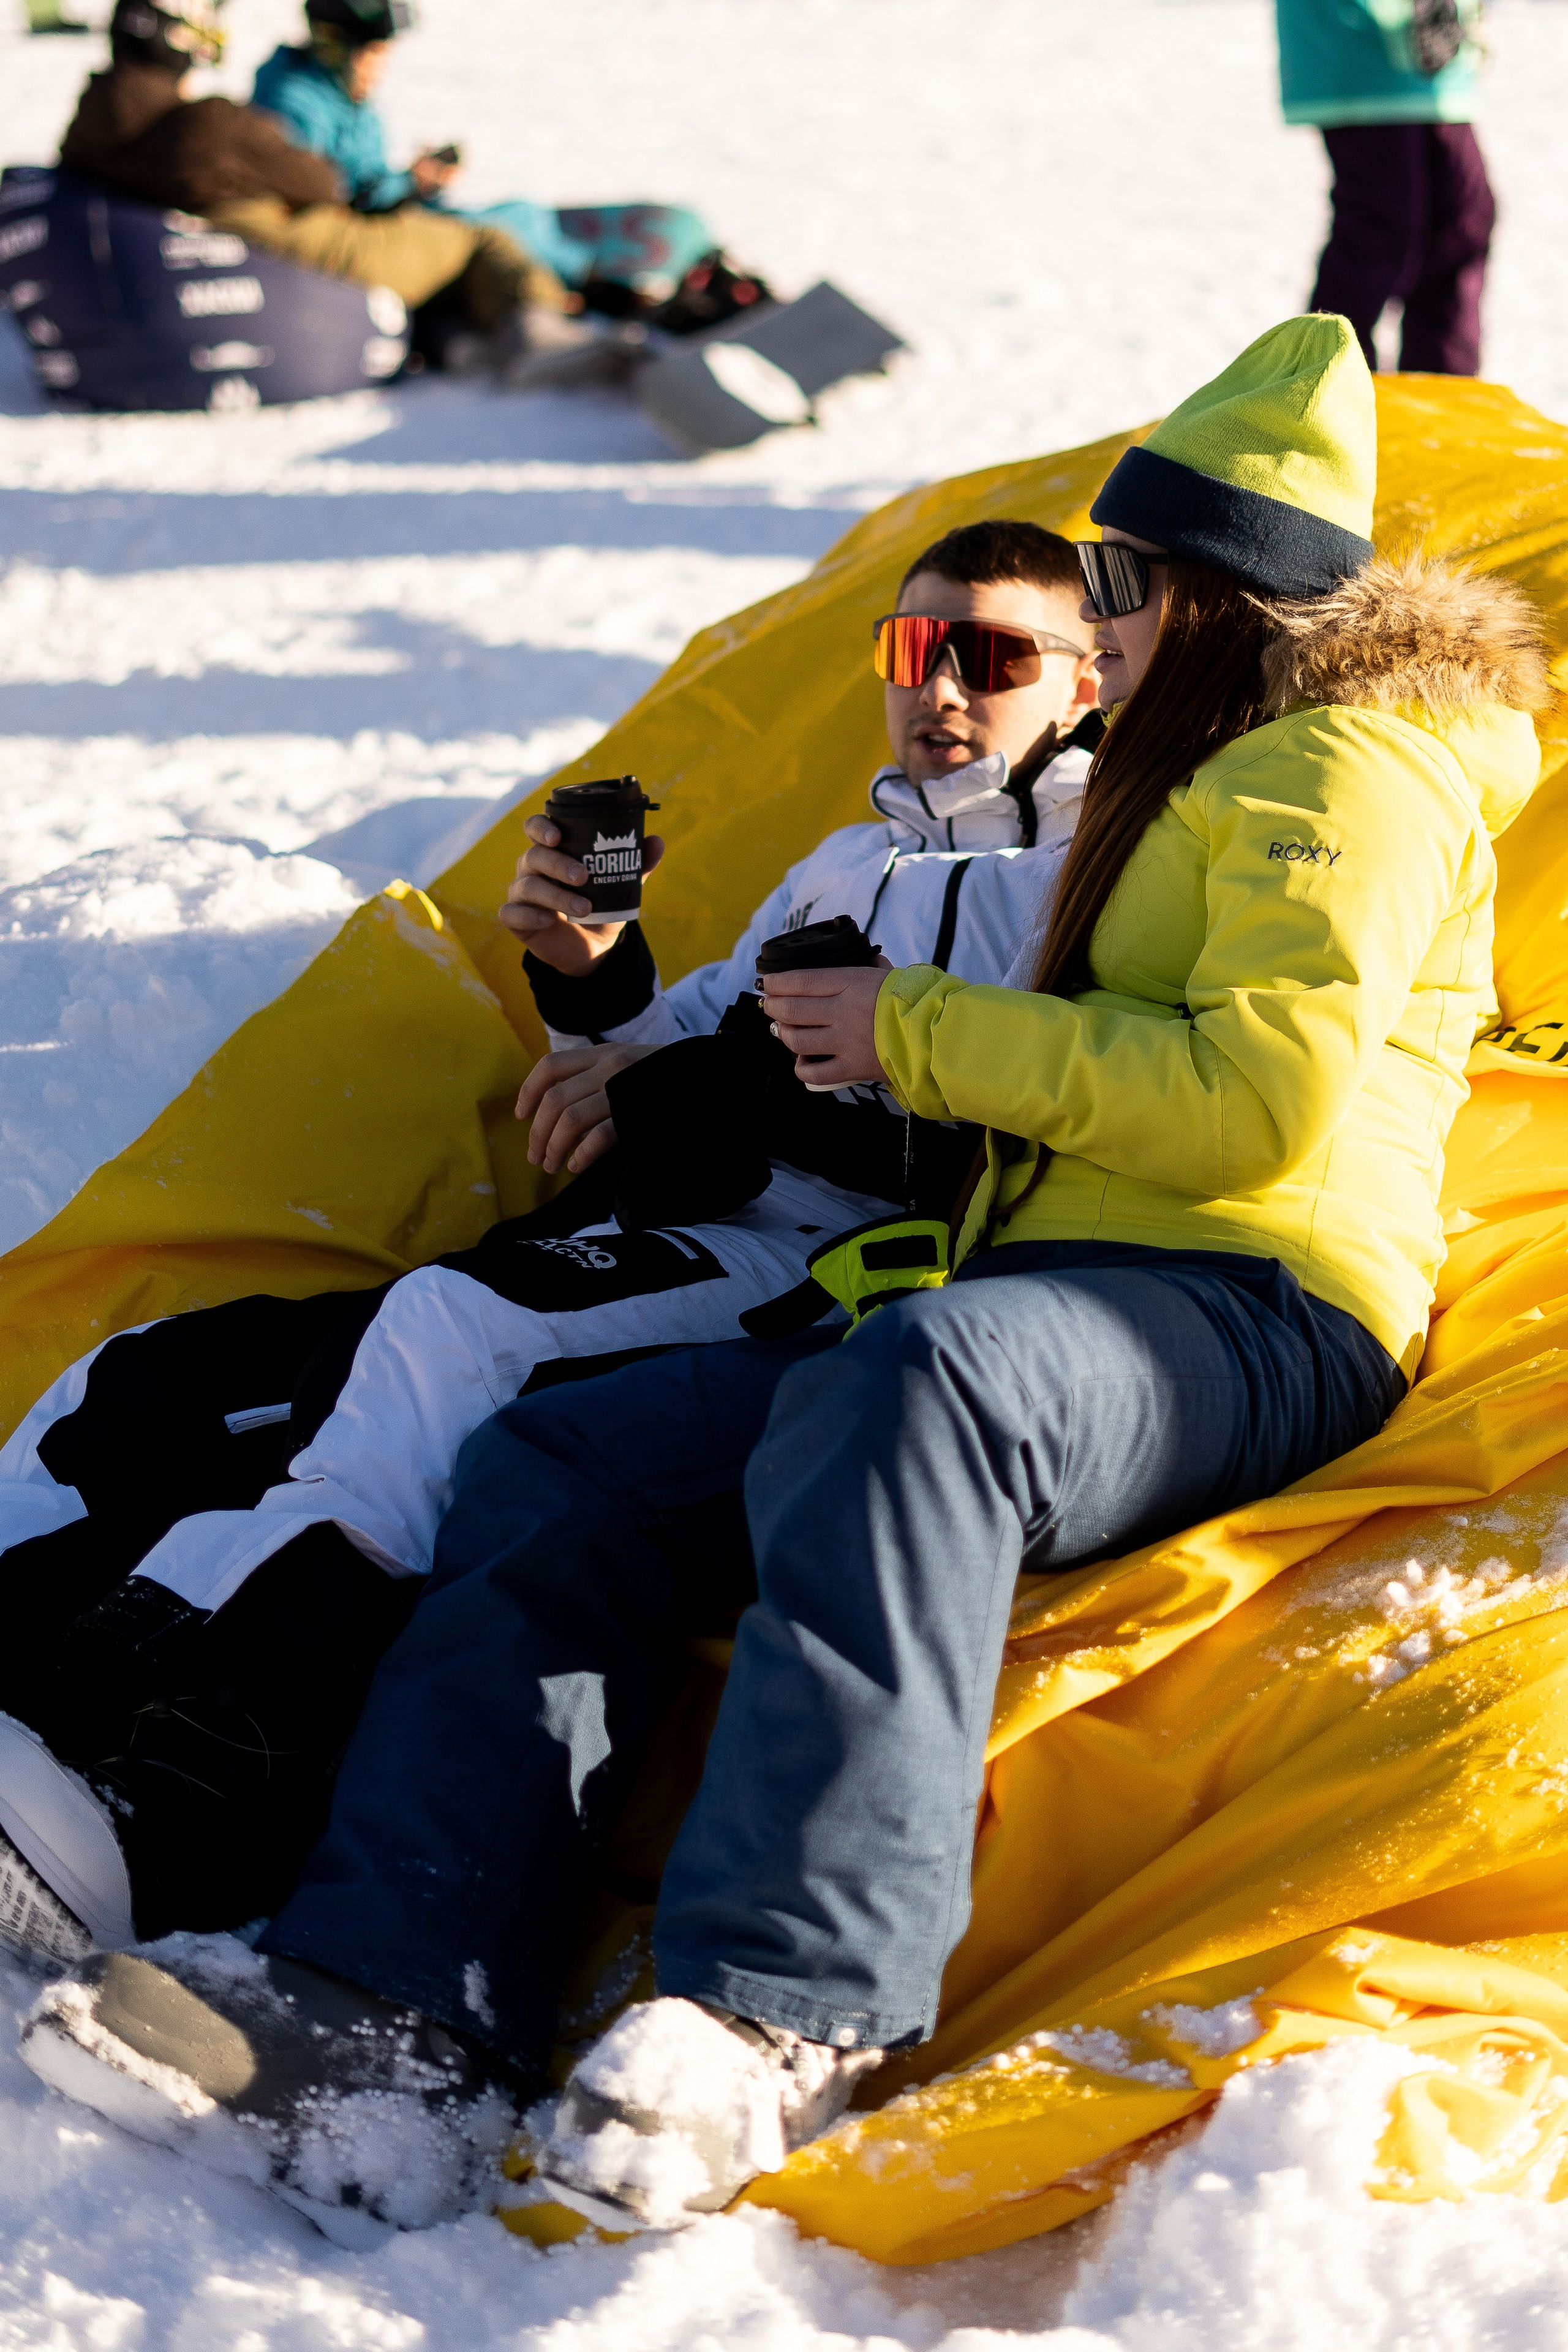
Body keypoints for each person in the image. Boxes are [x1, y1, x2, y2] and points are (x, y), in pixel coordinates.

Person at [34, 317, 1542, 2237]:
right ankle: (405, 2013)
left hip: (1256, 1299)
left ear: (1210, 591)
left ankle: (787, 2005)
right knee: (568, 1453)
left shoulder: (1347, 765)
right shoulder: (1176, 779)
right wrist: (633, 1006)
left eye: (1113, 584)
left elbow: (1258, 1105)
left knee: (928, 1383)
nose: (1093, 623)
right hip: (1044, 1283)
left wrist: (908, 1032)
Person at [0, 523, 1099, 1983]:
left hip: (829, 1264)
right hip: (663, 1220)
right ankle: (35, 1684)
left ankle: (184, 1809)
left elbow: (973, 1096)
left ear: (1083, 684)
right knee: (170, 1372)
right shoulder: (848, 859)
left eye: (993, 655)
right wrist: (593, 968)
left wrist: (688, 1083)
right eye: (912, 647)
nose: (942, 687)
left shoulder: (1077, 877)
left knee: (450, 1335)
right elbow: (668, 1045)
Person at [56, 0, 605, 386]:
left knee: (460, 232)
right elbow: (324, 185)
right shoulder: (210, 124)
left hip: (265, 238)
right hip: (301, 242)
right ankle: (543, 337)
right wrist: (405, 186)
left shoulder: (93, 129)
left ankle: (459, 338)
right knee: (479, 238)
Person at [251, 0, 736, 354]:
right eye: (373, 54)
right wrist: (409, 185)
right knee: (497, 232)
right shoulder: (295, 103)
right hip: (361, 236)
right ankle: (609, 289)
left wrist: (417, 181)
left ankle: (606, 280)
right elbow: (332, 201)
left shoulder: (339, 93)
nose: (381, 67)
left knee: (517, 212)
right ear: (334, 47)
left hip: (388, 216)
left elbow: (364, 179)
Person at [1276, 0, 1493, 374]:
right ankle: (1324, 383)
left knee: (1459, 221)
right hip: (1360, 46)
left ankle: (1441, 385)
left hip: (1433, 64)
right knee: (1379, 225)